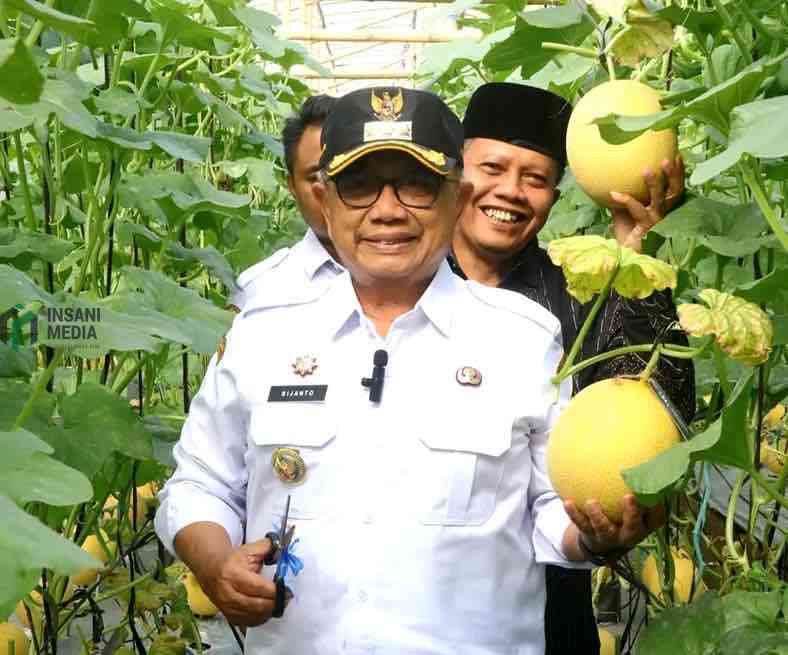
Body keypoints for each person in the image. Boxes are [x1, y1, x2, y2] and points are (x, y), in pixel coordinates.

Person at [155, 85, 663, 655]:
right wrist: (215, 562)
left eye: (417, 184)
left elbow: (549, 508)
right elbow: (200, 483)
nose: (388, 209)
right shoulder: (263, 330)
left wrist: (592, 535)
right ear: (326, 201)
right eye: (359, 185)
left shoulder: (522, 338)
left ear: (456, 194)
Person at [449, 82, 696, 655]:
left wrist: (636, 249)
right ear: (453, 172)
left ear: (555, 198)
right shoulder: (403, 282)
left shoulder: (582, 283)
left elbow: (658, 405)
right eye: (492, 167)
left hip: (548, 601)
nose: (510, 192)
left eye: (535, 179)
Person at [228, 94, 342, 312]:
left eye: (347, 175)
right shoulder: (257, 290)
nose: (331, 190)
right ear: (292, 186)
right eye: (317, 177)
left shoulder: (412, 278)